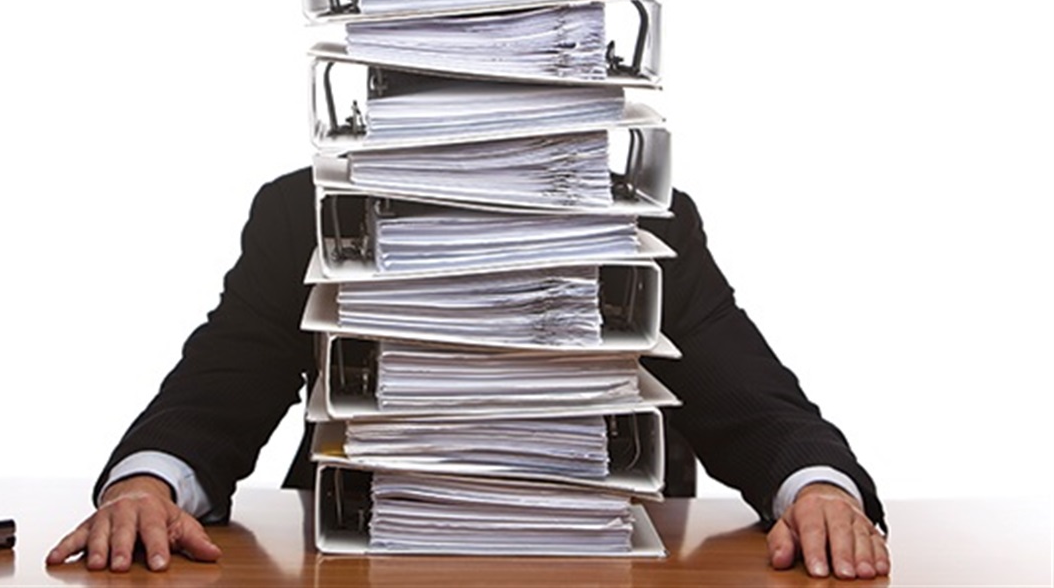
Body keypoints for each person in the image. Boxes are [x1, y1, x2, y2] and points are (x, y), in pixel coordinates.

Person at [47, 168, 889, 579]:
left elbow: (745, 389)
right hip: (367, 564)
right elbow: (218, 387)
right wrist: (147, 488)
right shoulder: (301, 213)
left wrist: (818, 490)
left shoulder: (643, 218)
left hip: (592, 566)